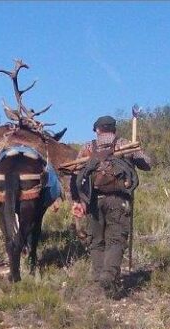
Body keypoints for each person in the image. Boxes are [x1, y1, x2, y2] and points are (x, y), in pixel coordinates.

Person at [71, 115, 151, 297]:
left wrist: (77, 200)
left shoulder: (88, 147)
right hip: (118, 199)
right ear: (114, 129)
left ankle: (101, 277)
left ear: (97, 130)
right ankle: (108, 276)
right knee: (116, 239)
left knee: (96, 241)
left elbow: (75, 175)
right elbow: (147, 164)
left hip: (93, 200)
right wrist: (136, 150)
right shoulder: (124, 144)